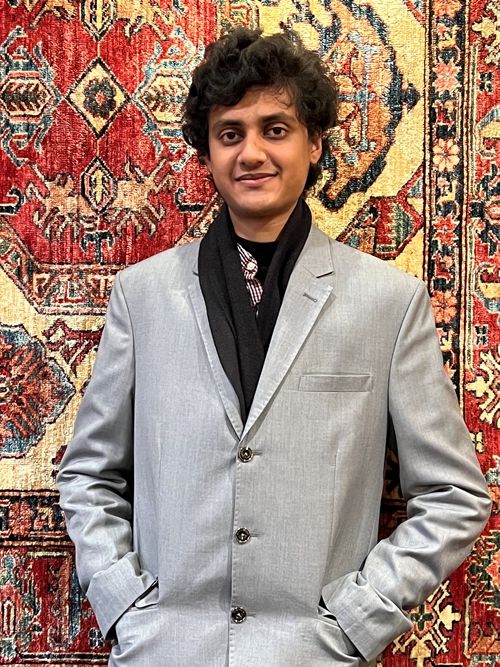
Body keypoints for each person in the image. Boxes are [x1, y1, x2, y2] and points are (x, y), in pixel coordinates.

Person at [57, 28, 491, 666]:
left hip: (313, 653)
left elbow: (455, 495)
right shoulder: (141, 296)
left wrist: (357, 621)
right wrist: (125, 605)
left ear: (315, 144)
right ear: (207, 151)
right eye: (230, 133)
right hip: (164, 651)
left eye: (276, 129)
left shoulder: (388, 302)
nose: (251, 153)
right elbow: (89, 473)